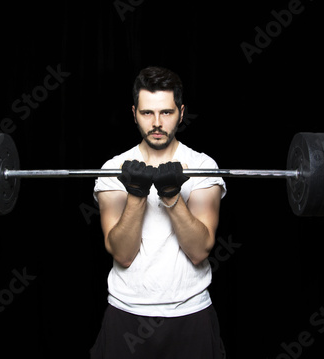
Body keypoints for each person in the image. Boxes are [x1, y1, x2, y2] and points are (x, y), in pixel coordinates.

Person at [90, 66, 227, 359]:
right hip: (126, 314)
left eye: (166, 112)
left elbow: (200, 250)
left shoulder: (203, 167)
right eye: (147, 113)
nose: (156, 123)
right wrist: (137, 194)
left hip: (191, 314)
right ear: (134, 112)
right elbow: (123, 254)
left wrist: (171, 196)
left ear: (181, 112)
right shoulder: (113, 169)